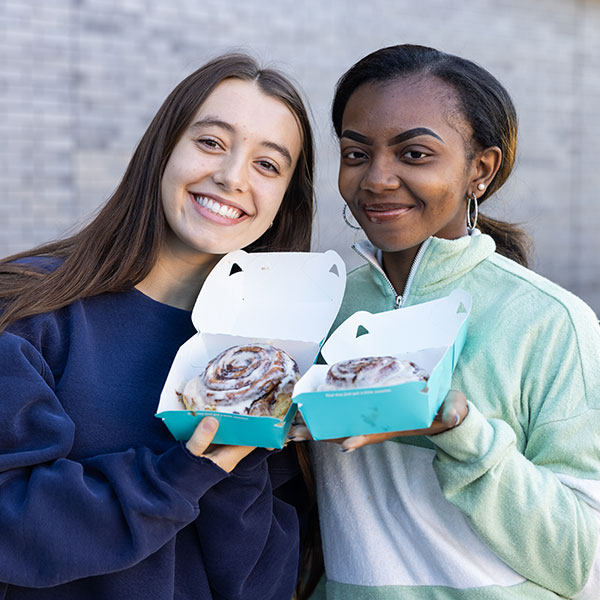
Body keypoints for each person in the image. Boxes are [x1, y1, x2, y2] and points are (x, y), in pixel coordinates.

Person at [0, 53, 316, 600]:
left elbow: (262, 581)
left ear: (284, 200)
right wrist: (179, 473)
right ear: (162, 150)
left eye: (268, 165)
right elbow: (12, 524)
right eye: (212, 142)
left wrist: (235, 458)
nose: (231, 177)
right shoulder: (32, 306)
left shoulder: (270, 359)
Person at [293, 44, 600, 599]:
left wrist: (464, 435)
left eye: (413, 155)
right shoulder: (315, 307)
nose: (377, 179)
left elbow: (585, 562)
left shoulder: (551, 323)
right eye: (356, 154)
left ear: (480, 170)